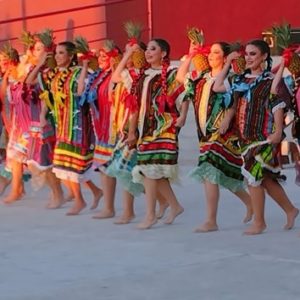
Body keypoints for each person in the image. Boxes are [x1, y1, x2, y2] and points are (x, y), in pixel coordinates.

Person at [213, 39, 299, 234]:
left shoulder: (271, 80)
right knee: (266, 179)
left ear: (264, 57)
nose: (248, 57)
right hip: (245, 137)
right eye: (247, 54)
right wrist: (228, 63)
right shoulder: (239, 80)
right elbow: (217, 86)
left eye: (253, 54)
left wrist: (278, 130)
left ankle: (259, 222)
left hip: (265, 136)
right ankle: (291, 210)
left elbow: (277, 106)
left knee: (253, 177)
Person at [176, 42, 252, 232]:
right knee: (224, 174)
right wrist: (190, 54)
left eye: (216, 52)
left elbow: (234, 103)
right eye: (210, 51)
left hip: (221, 132)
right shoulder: (200, 77)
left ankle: (211, 220)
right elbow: (179, 77)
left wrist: (227, 119)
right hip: (204, 134)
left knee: (209, 170)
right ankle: (251, 203)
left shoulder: (231, 78)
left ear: (225, 57)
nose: (210, 55)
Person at [26, 41, 95, 215]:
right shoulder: (53, 74)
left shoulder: (80, 72)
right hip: (61, 124)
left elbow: (80, 92)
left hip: (77, 125)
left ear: (71, 56)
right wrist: (40, 63)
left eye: (61, 53)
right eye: (56, 53)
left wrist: (85, 65)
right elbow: (30, 81)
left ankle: (80, 200)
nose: (57, 56)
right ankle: (91, 194)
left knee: (72, 166)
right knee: (62, 166)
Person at [125, 38, 186, 229]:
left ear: (164, 53)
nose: (148, 52)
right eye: (147, 49)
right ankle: (175, 206)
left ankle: (150, 215)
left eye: (153, 49)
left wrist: (182, 117)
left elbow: (185, 95)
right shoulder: (141, 77)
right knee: (152, 172)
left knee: (150, 171)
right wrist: (132, 131)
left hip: (163, 128)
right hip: (145, 129)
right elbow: (134, 108)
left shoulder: (171, 74)